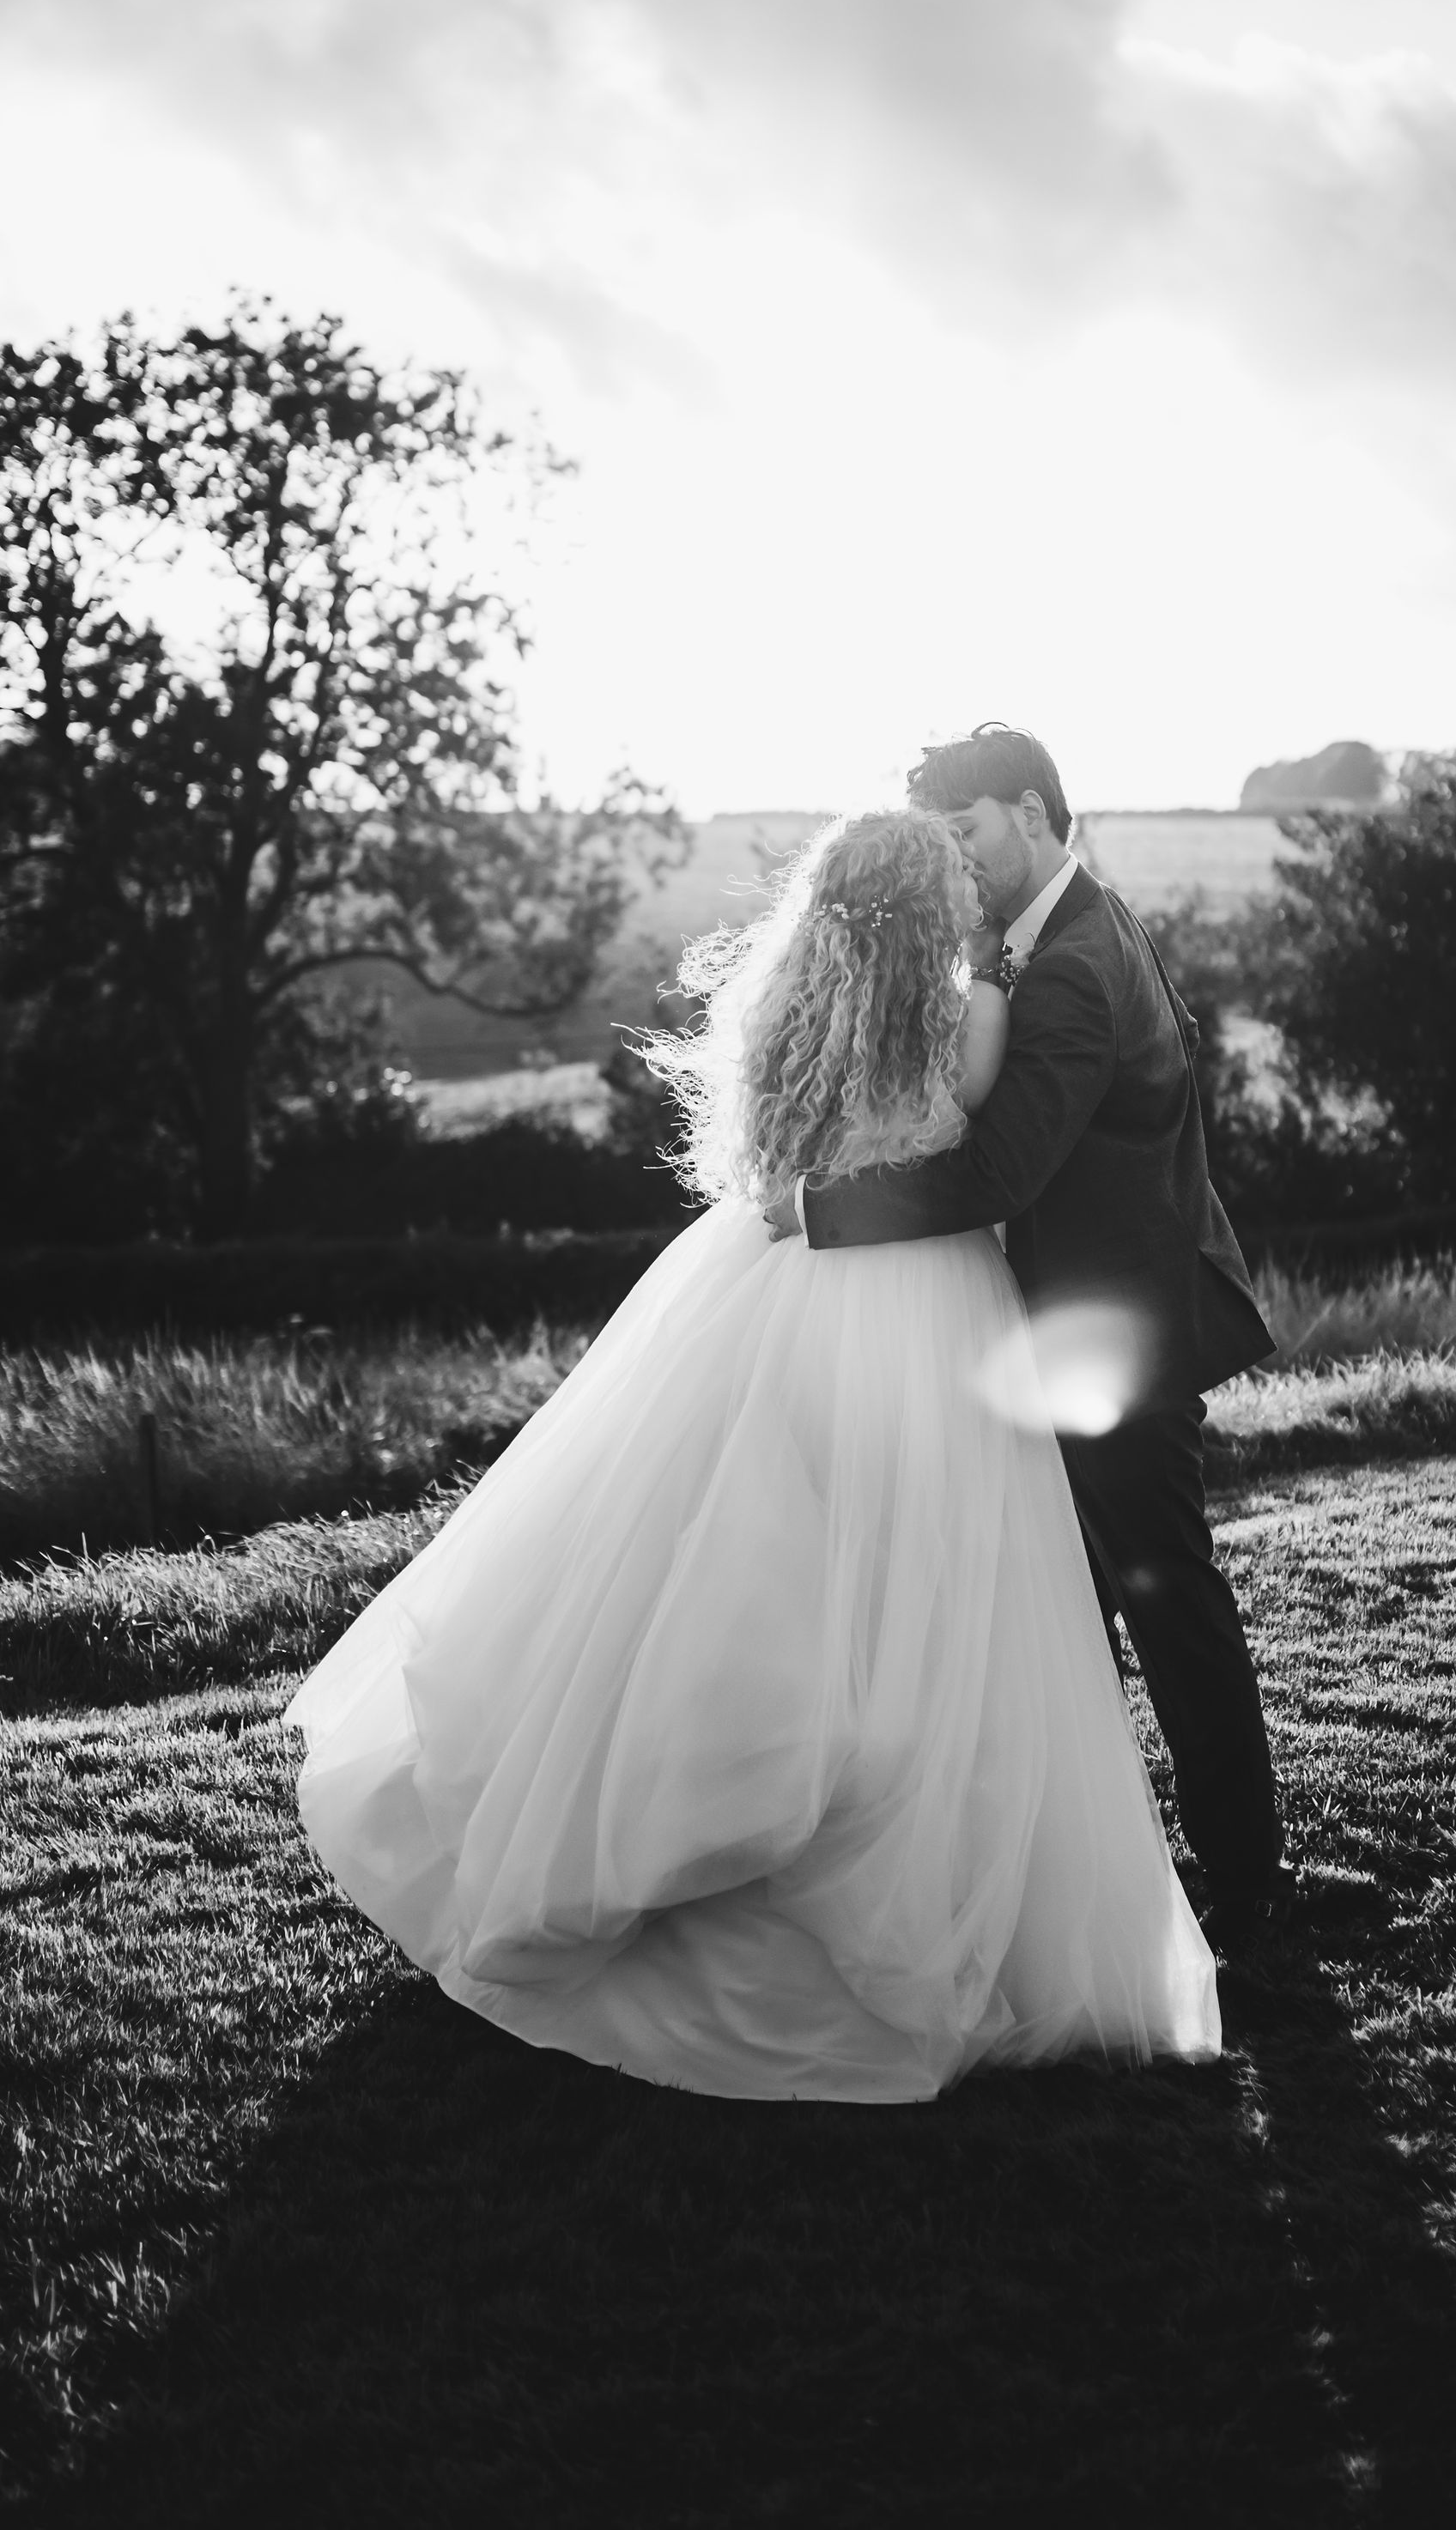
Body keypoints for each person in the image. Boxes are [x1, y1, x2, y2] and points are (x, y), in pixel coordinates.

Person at [287, 807, 1219, 2103]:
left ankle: (703, 1789)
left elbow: (779, 1163)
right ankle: (871, 1840)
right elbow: (994, 1167)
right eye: (948, 881)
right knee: (919, 1598)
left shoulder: (783, 1006)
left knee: (740, 1555)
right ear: (922, 906)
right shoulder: (973, 1021)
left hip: (769, 1292)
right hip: (921, 1314)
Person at [768, 725, 1292, 1953]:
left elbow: (1003, 1169)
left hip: (1113, 1346)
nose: (954, 855)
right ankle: (1100, 1870)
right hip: (1089, 1326)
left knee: (1166, 1605)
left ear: (1035, 812)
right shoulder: (1071, 927)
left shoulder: (1065, 964)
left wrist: (819, 1212)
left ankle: (1250, 1893)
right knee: (1071, 1609)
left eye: (967, 830)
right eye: (938, 837)